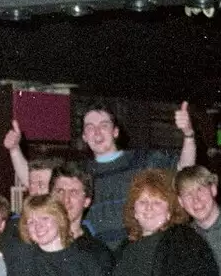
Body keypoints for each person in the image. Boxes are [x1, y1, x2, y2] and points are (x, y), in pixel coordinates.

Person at [79, 102, 197, 242]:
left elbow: (184, 171)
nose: (97, 132)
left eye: (104, 125)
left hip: (139, 252)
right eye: (90, 127)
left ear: (115, 132)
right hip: (100, 259)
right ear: (84, 136)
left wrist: (188, 135)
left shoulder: (143, 161)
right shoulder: (79, 176)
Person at [48, 163, 114, 276]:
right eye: (60, 191)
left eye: (73, 192)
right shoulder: (33, 244)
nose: (65, 199)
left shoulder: (98, 253)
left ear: (86, 201)